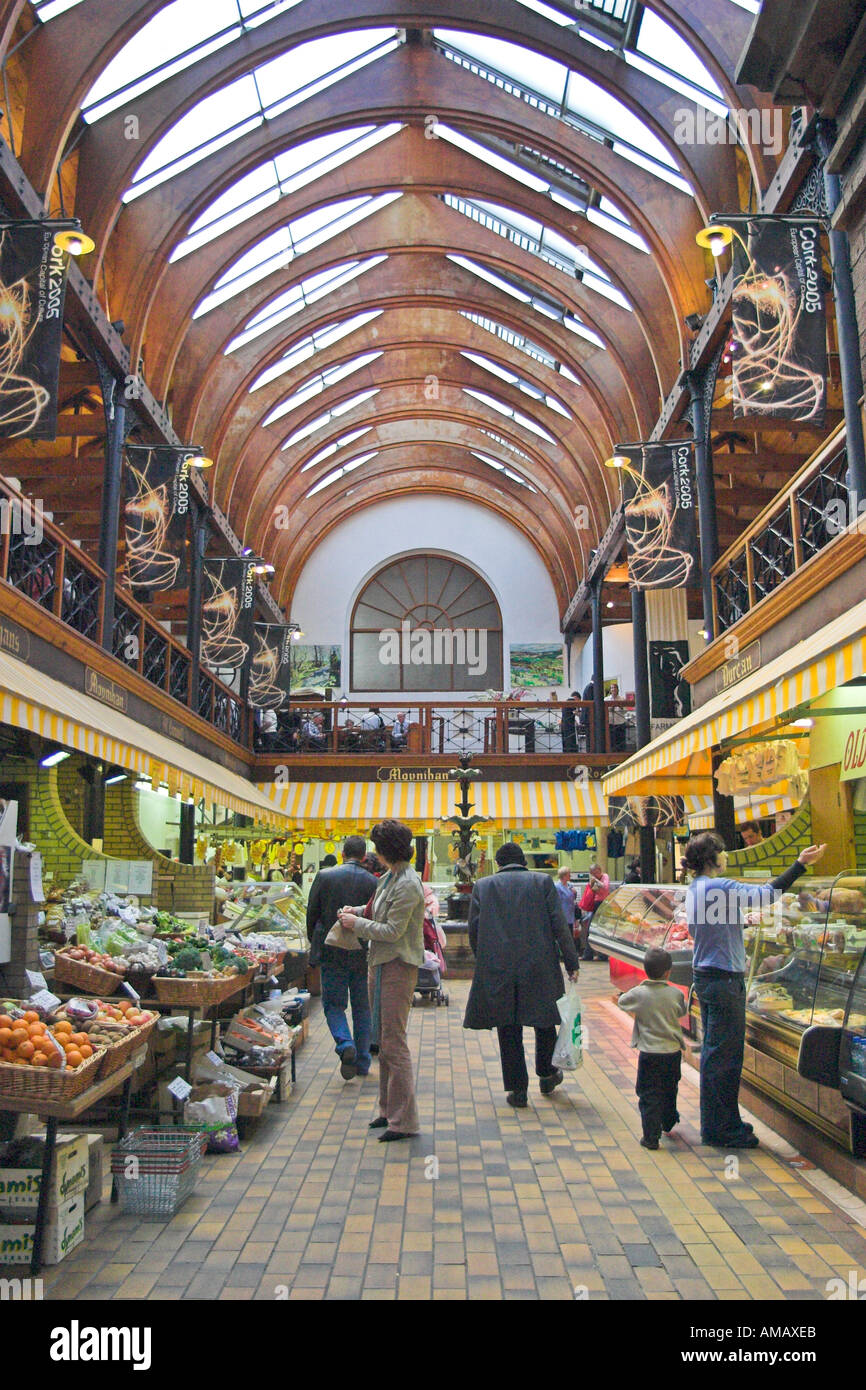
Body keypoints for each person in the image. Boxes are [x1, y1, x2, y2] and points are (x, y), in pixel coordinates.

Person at [684, 831, 826, 1149]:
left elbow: (705, 926)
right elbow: (767, 894)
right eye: (723, 852)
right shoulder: (718, 885)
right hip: (723, 980)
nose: (727, 857)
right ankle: (722, 1131)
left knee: (714, 1053)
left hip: (707, 976)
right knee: (725, 1057)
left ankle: (722, 1122)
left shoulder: (696, 888)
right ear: (713, 858)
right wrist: (800, 864)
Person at [463, 842, 580, 1108]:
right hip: (540, 965)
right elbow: (559, 925)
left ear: (499, 862)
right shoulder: (542, 882)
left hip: (499, 966)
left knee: (508, 1025)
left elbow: (474, 929)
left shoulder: (484, 886)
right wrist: (571, 961)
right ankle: (547, 1073)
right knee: (544, 1020)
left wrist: (484, 959)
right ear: (523, 861)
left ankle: (518, 1090)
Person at [338, 819, 425, 1141]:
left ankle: (404, 1121)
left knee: (394, 1042)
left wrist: (356, 923)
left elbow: (392, 931)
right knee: (384, 1041)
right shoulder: (389, 877)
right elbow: (377, 910)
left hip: (398, 965)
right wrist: (357, 910)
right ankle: (388, 1110)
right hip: (381, 963)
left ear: (385, 849)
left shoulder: (408, 884)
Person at [306, 836, 379, 1082]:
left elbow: (311, 913)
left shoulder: (325, 876)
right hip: (360, 951)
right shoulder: (373, 882)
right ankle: (362, 1062)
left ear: (342, 853)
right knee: (361, 1007)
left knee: (334, 1005)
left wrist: (315, 942)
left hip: (331, 950)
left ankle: (344, 1043)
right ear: (364, 856)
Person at [616, 947, 687, 1150]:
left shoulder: (640, 993)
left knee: (648, 1094)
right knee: (669, 1087)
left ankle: (650, 1136)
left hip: (649, 1053)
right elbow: (681, 1011)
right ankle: (668, 1120)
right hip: (672, 1052)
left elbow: (622, 1001)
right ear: (668, 972)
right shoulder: (675, 993)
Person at [579, 862, 610, 961]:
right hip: (595, 904)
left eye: (596, 873)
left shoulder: (605, 876)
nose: (594, 875)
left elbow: (605, 887)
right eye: (592, 874)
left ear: (599, 870)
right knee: (590, 929)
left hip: (603, 904)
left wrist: (596, 880)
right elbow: (594, 891)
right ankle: (588, 954)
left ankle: (602, 955)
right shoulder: (594, 879)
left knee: (601, 930)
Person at [555, 865, 578, 944]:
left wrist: (574, 893)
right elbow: (556, 902)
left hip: (570, 915)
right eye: (569, 874)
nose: (570, 876)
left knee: (571, 937)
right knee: (565, 938)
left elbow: (573, 898)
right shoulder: (557, 887)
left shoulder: (569, 885)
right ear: (564, 875)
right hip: (563, 915)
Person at [606, 681, 626, 752]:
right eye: (612, 688)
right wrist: (610, 708)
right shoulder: (606, 699)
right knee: (611, 741)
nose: (613, 689)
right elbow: (604, 712)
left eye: (615, 688)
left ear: (617, 689)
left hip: (620, 722)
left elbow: (625, 711)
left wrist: (621, 707)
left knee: (621, 741)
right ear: (610, 690)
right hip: (610, 723)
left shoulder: (622, 699)